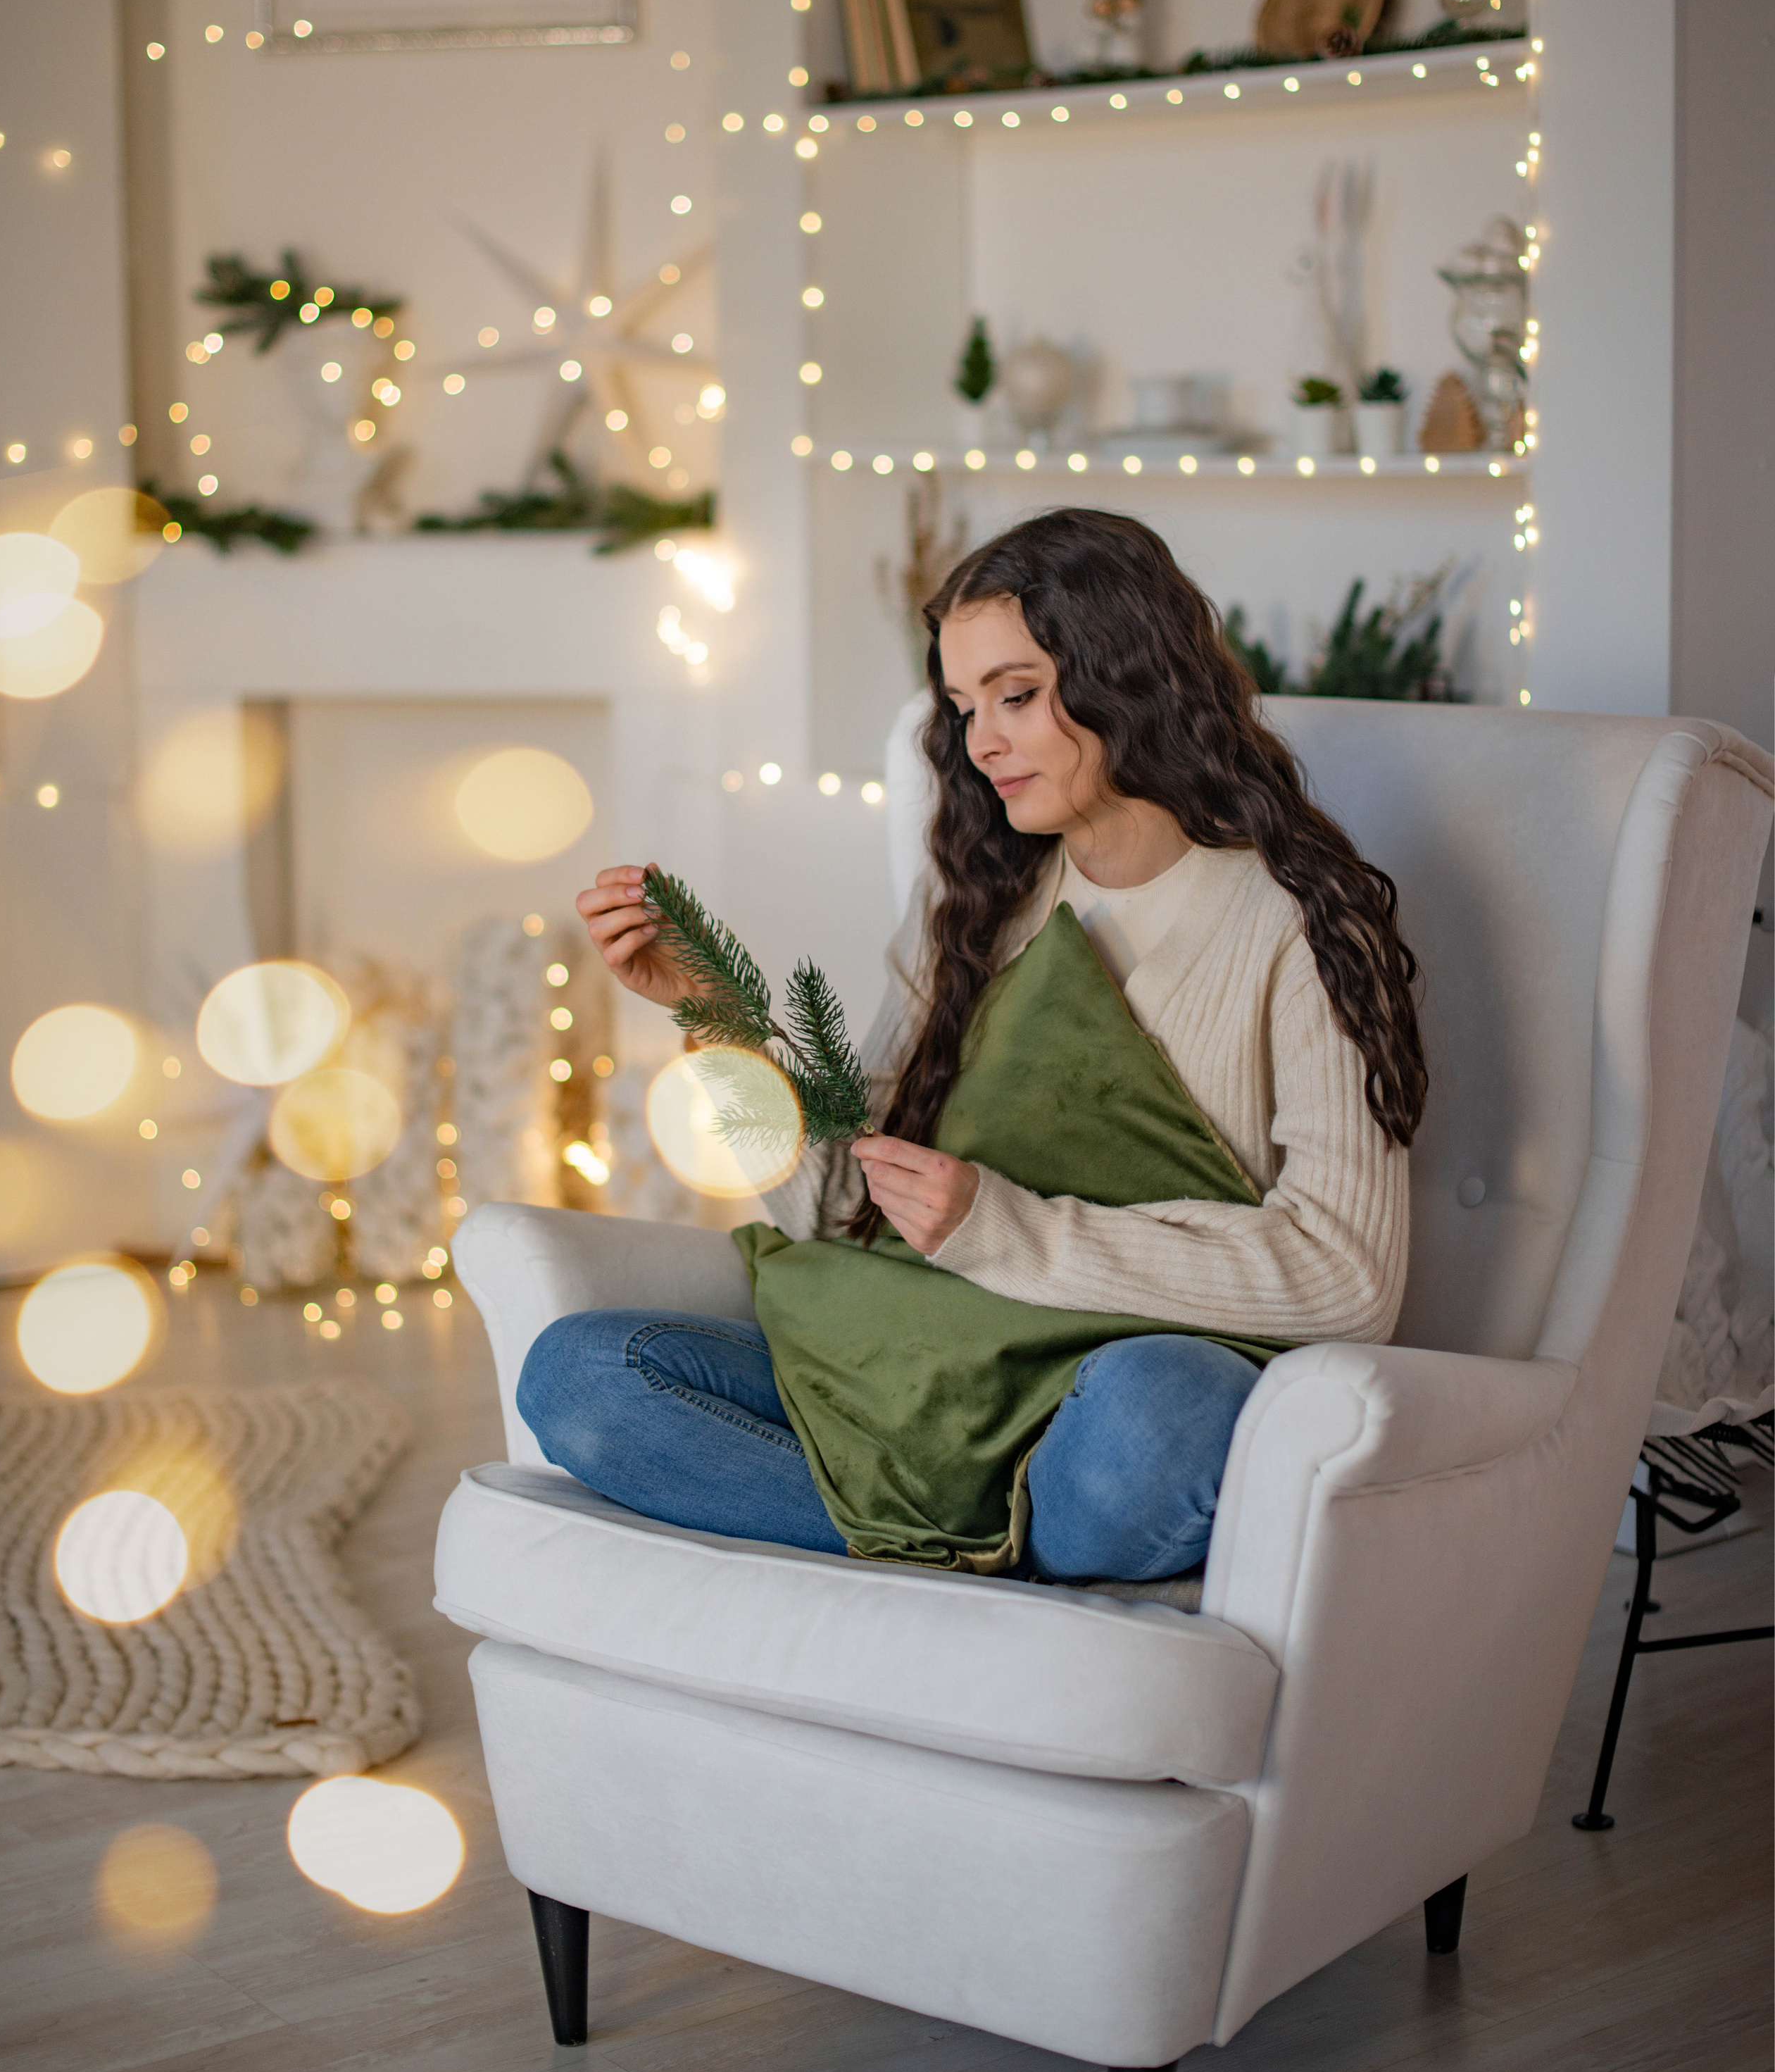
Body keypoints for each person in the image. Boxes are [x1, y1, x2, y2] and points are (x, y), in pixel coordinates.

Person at [520, 509, 1426, 1583]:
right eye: (962, 708)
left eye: (1018, 694)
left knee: (1163, 1421)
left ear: (1128, 673)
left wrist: (1006, 1230)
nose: (981, 741)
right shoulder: (974, 901)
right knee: (581, 1375)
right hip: (931, 1360)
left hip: (1112, 1389)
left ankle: (926, 1545)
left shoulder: (1299, 923)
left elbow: (1347, 1277)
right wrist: (711, 1014)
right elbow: (835, 1206)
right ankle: (1005, 1562)